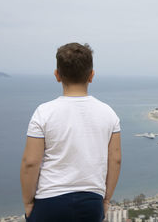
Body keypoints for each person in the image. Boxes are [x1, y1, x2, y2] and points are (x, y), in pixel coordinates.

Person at [20, 43, 122, 221]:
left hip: (49, 201)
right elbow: (116, 160)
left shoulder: (43, 112)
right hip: (91, 201)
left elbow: (30, 162)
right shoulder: (109, 113)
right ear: (91, 75)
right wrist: (106, 200)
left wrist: (28, 202)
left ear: (57, 75)